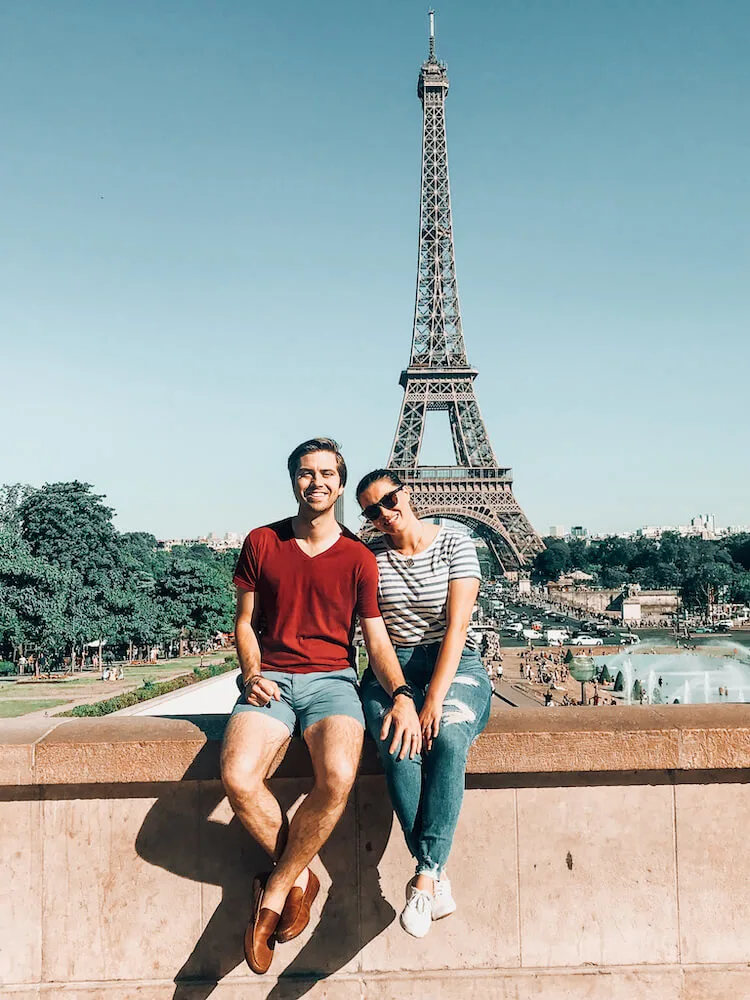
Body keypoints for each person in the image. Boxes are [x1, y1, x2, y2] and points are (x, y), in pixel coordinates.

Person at [220, 439, 421, 975]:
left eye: (328, 473)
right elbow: (244, 622)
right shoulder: (262, 541)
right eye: (307, 473)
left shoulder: (358, 556)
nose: (317, 482)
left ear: (340, 483)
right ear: (293, 481)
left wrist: (402, 693)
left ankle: (275, 890)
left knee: (336, 776)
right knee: (239, 777)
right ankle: (303, 879)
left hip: (333, 681)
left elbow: (376, 641)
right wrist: (251, 671)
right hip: (273, 681)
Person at [356, 469, 492, 938]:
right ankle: (433, 874)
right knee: (398, 744)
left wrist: (432, 700)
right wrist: (401, 696)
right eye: (371, 511)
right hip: (392, 671)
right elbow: (375, 638)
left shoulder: (456, 543)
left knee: (449, 739)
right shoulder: (367, 557)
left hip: (453, 668)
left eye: (389, 500)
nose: (384, 514)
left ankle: (426, 872)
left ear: (407, 492)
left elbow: (457, 628)